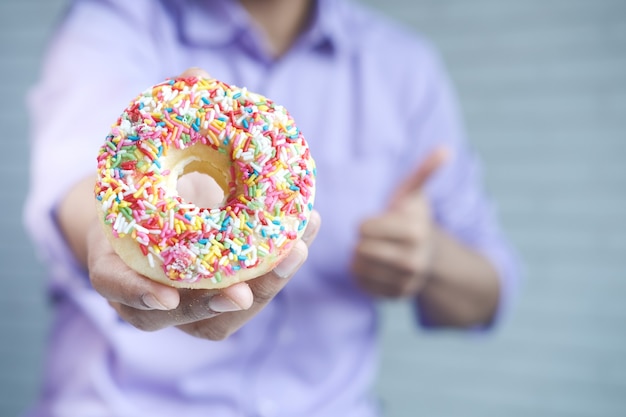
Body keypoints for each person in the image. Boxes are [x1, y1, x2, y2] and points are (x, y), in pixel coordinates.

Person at [24, 0, 519, 416]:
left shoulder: (403, 67)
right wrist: (110, 237)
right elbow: (79, 189)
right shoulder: (118, 21)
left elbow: (490, 293)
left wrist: (428, 258)